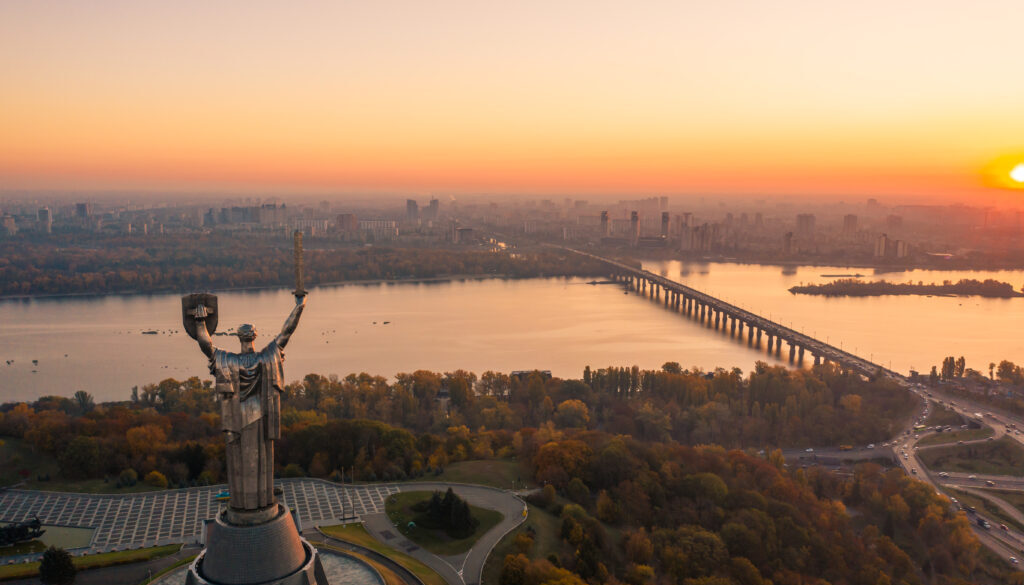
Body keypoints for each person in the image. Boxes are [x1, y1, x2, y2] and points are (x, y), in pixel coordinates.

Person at [191, 293, 306, 512]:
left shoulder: (229, 361)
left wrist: (200, 323)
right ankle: (263, 503)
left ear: (239, 337)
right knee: (262, 459)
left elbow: (206, 346)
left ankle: (243, 505)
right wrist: (300, 306)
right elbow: (287, 331)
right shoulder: (266, 357)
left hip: (237, 418)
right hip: (261, 415)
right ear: (255, 335)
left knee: (240, 461)